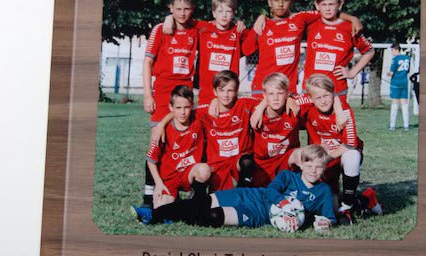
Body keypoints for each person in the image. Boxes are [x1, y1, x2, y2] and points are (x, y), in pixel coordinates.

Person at [133, 144, 336, 231]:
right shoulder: (287, 176)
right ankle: (153, 215)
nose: (313, 170)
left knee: (213, 216)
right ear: (300, 164)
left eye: (319, 167)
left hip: (259, 214)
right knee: (201, 202)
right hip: (252, 196)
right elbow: (271, 191)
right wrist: (284, 203)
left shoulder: (323, 191)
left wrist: (324, 223)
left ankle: (174, 216)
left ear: (324, 168)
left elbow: (330, 218)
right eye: (309, 165)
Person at [244, 0, 362, 97]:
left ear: (291, 1)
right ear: (269, 2)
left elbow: (326, 12)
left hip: (288, 90)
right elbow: (246, 50)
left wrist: (352, 18)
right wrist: (259, 20)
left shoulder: (300, 18)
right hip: (262, 87)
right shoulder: (262, 25)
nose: (280, 4)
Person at [140, 0, 199, 206]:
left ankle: (190, 191)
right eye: (178, 9)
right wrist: (148, 95)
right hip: (163, 94)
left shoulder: (196, 29)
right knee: (157, 141)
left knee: (187, 143)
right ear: (171, 8)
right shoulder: (160, 29)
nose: (182, 13)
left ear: (192, 9)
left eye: (187, 9)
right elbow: (147, 62)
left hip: (185, 95)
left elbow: (217, 25)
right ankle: (148, 196)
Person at [295, 73, 380, 223]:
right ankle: (367, 199)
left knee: (352, 156)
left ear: (333, 94)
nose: (323, 101)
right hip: (324, 160)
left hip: (340, 155)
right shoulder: (309, 104)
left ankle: (347, 204)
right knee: (330, 205)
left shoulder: (344, 110)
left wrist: (327, 158)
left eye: (327, 96)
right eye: (318, 97)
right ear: (311, 98)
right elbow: (289, 99)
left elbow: (351, 144)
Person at [151, 70, 256, 191]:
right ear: (215, 91)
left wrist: (259, 109)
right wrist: (161, 124)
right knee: (217, 199)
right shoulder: (205, 111)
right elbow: (181, 111)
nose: (226, 95)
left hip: (238, 158)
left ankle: (243, 193)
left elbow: (266, 100)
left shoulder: (244, 103)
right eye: (221, 90)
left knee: (247, 162)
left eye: (230, 90)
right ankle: (199, 197)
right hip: (217, 163)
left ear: (236, 91)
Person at [162, 0, 252, 105]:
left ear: (234, 13)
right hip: (206, 93)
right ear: (213, 13)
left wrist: (254, 21)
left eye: (228, 11)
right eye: (220, 11)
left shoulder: (239, 32)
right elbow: (182, 19)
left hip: (228, 93)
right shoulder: (203, 28)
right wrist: (169, 18)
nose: (224, 15)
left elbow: (254, 42)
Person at [139, 85, 211, 210]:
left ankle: (197, 201)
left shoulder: (197, 120)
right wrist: (159, 184)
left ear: (192, 106)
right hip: (169, 179)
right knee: (161, 209)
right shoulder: (162, 131)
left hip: (188, 174)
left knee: (204, 170)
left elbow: (216, 103)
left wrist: (214, 102)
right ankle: (178, 201)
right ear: (170, 107)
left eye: (186, 107)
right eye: (178, 108)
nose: (183, 112)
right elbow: (150, 160)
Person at [302, 0, 375, 96]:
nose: (327, 8)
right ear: (317, 5)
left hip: (337, 90)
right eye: (323, 4)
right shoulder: (311, 22)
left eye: (331, 4)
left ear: (340, 4)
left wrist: (352, 73)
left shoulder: (350, 28)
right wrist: (352, 18)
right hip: (310, 90)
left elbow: (369, 51)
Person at [248, 72, 301, 186]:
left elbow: (317, 95)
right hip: (262, 164)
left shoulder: (295, 107)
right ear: (264, 95)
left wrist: (291, 98)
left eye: (280, 93)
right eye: (271, 94)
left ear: (287, 93)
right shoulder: (253, 107)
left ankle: (304, 189)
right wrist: (261, 107)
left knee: (304, 154)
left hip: (286, 159)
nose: (276, 98)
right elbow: (226, 100)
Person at [387, 43, 412, 131]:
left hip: (396, 83)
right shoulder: (407, 58)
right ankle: (406, 125)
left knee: (395, 103)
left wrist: (388, 74)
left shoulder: (395, 59)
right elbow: (407, 70)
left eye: (392, 50)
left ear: (396, 50)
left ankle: (392, 125)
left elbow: (391, 73)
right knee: (404, 103)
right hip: (404, 82)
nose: (391, 52)